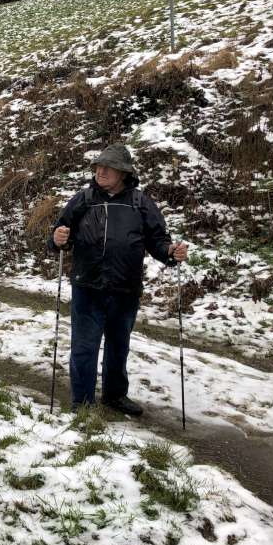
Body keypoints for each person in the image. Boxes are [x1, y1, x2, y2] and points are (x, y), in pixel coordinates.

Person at [48, 143, 188, 416]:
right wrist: (57, 239)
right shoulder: (83, 200)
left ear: (123, 173)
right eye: (98, 167)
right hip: (88, 286)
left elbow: (158, 241)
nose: (100, 171)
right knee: (84, 347)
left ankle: (114, 396)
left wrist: (171, 252)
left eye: (108, 168)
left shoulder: (140, 203)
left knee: (118, 346)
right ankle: (82, 404)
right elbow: (59, 234)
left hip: (125, 289)